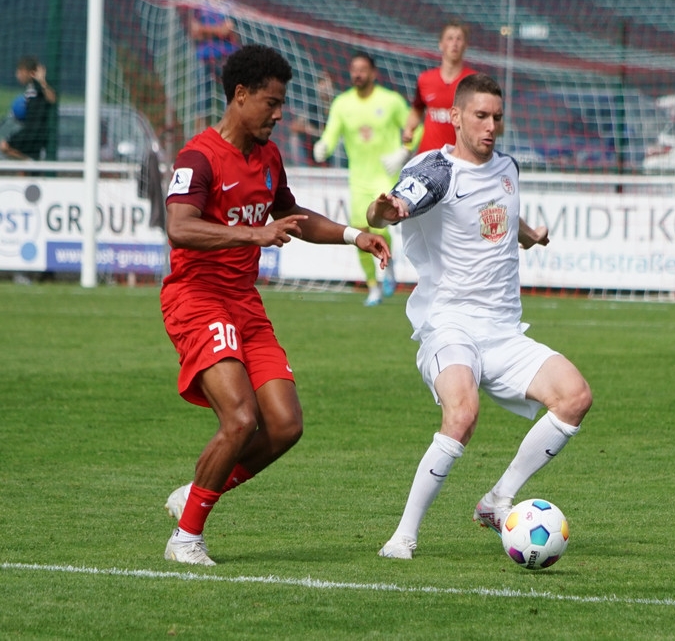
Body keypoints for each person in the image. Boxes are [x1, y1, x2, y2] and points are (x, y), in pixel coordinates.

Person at [160, 44, 390, 566]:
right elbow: (180, 226)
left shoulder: (267, 156)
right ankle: (187, 538)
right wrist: (252, 235)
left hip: (243, 302)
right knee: (240, 419)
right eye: (271, 102)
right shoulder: (198, 157)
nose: (280, 113)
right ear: (240, 96)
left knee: (285, 425)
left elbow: (291, 216)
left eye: (282, 102)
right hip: (196, 300)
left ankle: (195, 492)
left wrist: (355, 235)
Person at [367, 73, 592, 559]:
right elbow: (390, 207)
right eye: (480, 116)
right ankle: (403, 536)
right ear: (456, 117)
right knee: (463, 413)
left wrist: (531, 235)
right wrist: (384, 209)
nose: (491, 126)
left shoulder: (508, 167)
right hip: (449, 324)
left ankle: (498, 500)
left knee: (574, 397)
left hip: (504, 331)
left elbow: (503, 220)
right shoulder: (435, 171)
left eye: (497, 116)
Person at [312, 53, 412, 306]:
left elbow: (415, 125)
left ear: (373, 73)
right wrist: (323, 145)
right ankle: (372, 286)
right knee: (358, 233)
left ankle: (388, 264)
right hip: (358, 179)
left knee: (380, 226)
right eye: (354, 69)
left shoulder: (391, 101)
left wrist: (404, 150)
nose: (358, 74)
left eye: (363, 69)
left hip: (385, 177)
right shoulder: (342, 104)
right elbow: (331, 133)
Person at [401, 20, 477, 156]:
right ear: (441, 44)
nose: (454, 43)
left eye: (459, 39)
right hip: (428, 156)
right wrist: (409, 129)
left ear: (465, 45)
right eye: (450, 38)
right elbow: (417, 109)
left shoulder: (474, 81)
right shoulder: (425, 79)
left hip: (460, 158)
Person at [189, 0, 239, 131]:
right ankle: (199, 137)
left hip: (226, 56)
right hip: (205, 57)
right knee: (202, 100)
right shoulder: (201, 6)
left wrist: (205, 30)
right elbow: (195, 31)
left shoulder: (230, 6)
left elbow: (229, 31)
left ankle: (228, 137)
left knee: (229, 98)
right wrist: (219, 30)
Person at [0, 56, 57, 160]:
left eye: (20, 72)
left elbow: (52, 99)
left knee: (4, 146)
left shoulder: (40, 86)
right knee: (23, 170)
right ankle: (29, 165)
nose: (18, 75)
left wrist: (42, 81)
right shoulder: (29, 89)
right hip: (28, 129)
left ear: (30, 73)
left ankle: (29, 163)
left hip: (33, 132)